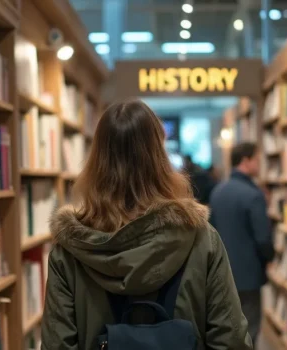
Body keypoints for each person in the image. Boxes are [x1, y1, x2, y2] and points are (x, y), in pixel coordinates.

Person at [42, 100, 252, 350]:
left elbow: (58, 344)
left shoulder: (69, 249)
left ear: (96, 159)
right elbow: (231, 341)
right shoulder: (201, 239)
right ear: (160, 158)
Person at [208, 142, 275, 344]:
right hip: (249, 275)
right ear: (246, 161)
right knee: (250, 329)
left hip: (221, 273)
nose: (259, 164)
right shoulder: (254, 195)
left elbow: (211, 232)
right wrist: (270, 258)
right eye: (256, 159)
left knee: (227, 330)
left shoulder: (218, 192)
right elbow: (263, 238)